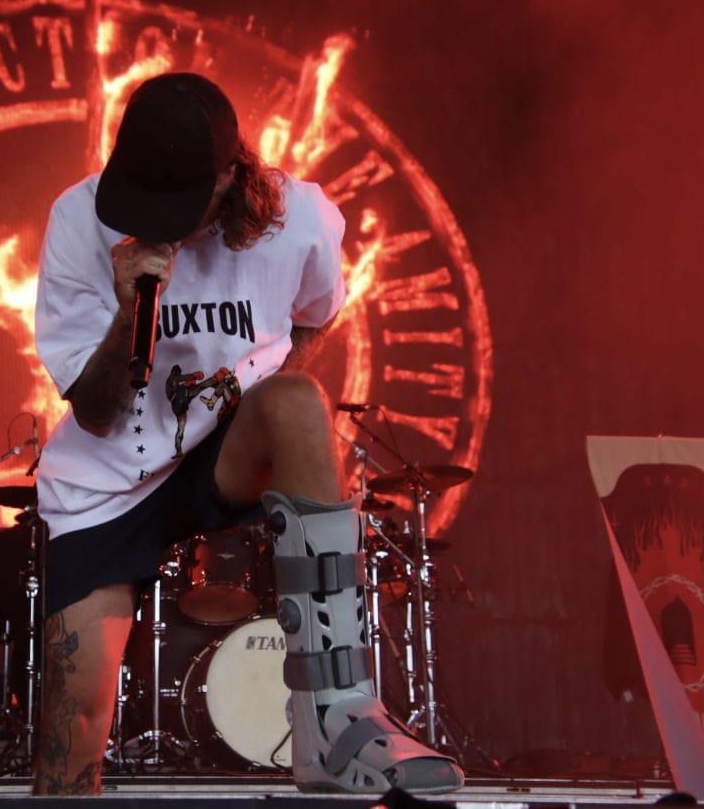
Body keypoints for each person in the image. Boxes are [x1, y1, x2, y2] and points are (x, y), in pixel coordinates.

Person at [31, 72, 463, 796]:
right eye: (140, 198)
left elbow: (316, 314)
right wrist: (134, 305)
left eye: (175, 203)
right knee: (71, 746)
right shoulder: (78, 220)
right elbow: (97, 413)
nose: (156, 222)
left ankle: (337, 714)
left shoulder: (301, 221)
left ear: (230, 176)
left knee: (296, 401)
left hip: (219, 451)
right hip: (104, 482)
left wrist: (259, 390)